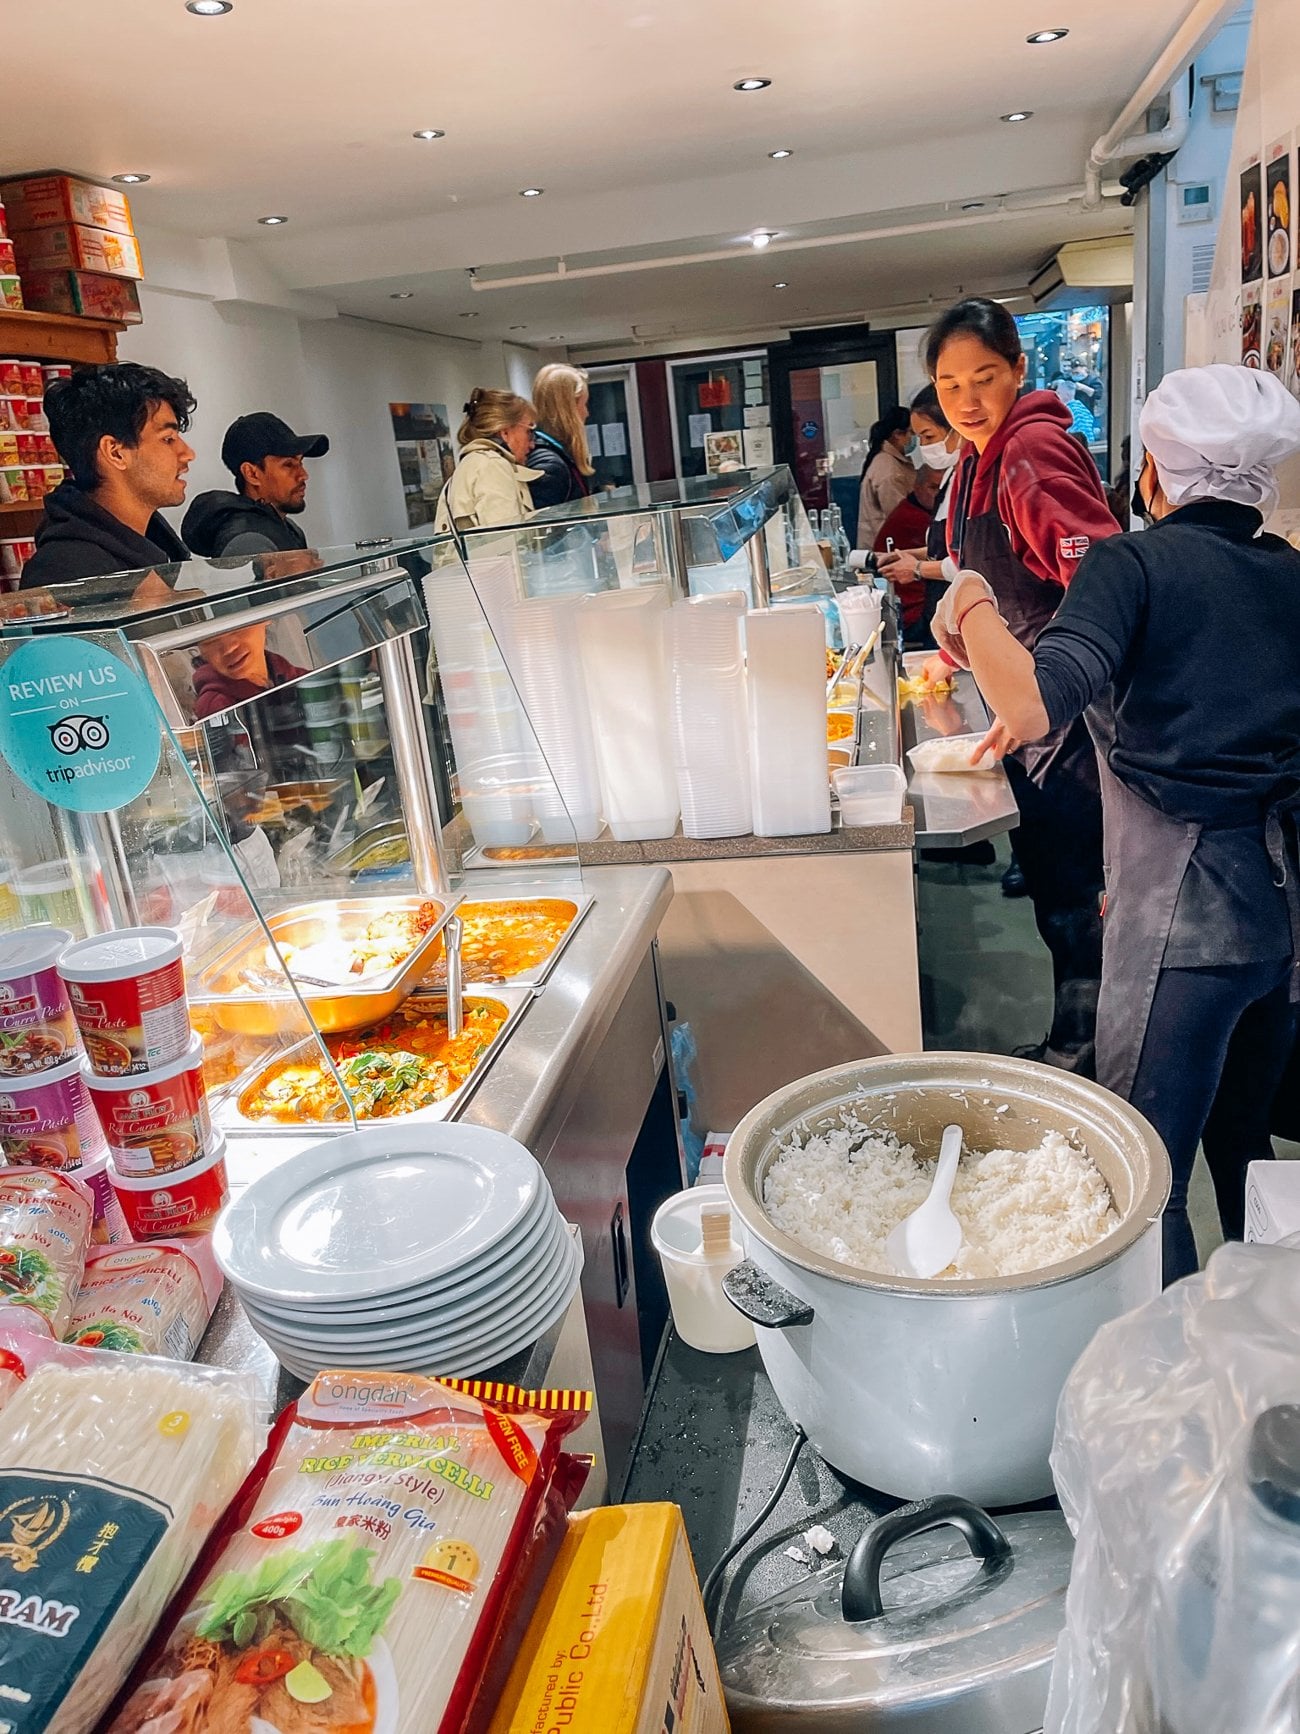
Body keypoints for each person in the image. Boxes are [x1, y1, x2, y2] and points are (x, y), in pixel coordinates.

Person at [932, 364, 1300, 1283]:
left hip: (1184, 917)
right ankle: (1258, 1368)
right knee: (1250, 1151)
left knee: (1148, 1185)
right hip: (1284, 920)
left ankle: (1170, 1391)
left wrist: (969, 602)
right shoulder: (1290, 573)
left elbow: (1030, 710)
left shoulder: (1130, 566)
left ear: (1153, 475)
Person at [921, 296, 1122, 1074]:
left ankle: (1089, 1060)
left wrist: (1047, 690)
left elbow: (1101, 586)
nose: (966, 400)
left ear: (1019, 371)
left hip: (1072, 721)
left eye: (985, 377)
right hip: (1037, 711)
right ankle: (1083, 1047)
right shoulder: (979, 456)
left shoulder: (1030, 450)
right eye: (949, 385)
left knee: (1075, 897)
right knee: (1052, 887)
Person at [20, 363, 194, 588]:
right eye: (168, 439)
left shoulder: (157, 546)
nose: (188, 454)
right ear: (115, 452)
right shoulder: (68, 575)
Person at [876, 385, 963, 643]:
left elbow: (970, 562)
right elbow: (947, 547)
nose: (923, 447)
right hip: (940, 612)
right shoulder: (950, 476)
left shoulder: (974, 480)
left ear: (956, 429)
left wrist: (916, 569)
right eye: (918, 438)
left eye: (928, 436)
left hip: (962, 614)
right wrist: (905, 555)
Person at [182, 412, 330, 556]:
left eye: (300, 462)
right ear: (252, 474)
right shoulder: (247, 541)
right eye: (288, 465)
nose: (303, 475)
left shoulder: (289, 529)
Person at [433, 390, 539, 532]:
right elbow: (505, 543)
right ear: (505, 432)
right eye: (529, 431)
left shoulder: (475, 463)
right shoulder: (492, 466)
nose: (532, 444)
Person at [874, 466, 942, 646]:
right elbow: (954, 559)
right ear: (916, 487)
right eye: (933, 488)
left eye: (942, 489)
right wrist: (918, 568)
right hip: (913, 612)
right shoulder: (913, 518)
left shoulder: (920, 510)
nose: (938, 495)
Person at [528, 364, 594, 507]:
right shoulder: (550, 466)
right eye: (584, 404)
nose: (586, 413)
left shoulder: (557, 455)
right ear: (568, 409)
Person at [856, 406, 915, 548]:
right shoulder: (889, 469)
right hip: (885, 547)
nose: (915, 439)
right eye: (912, 433)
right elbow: (899, 516)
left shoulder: (891, 461)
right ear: (898, 434)